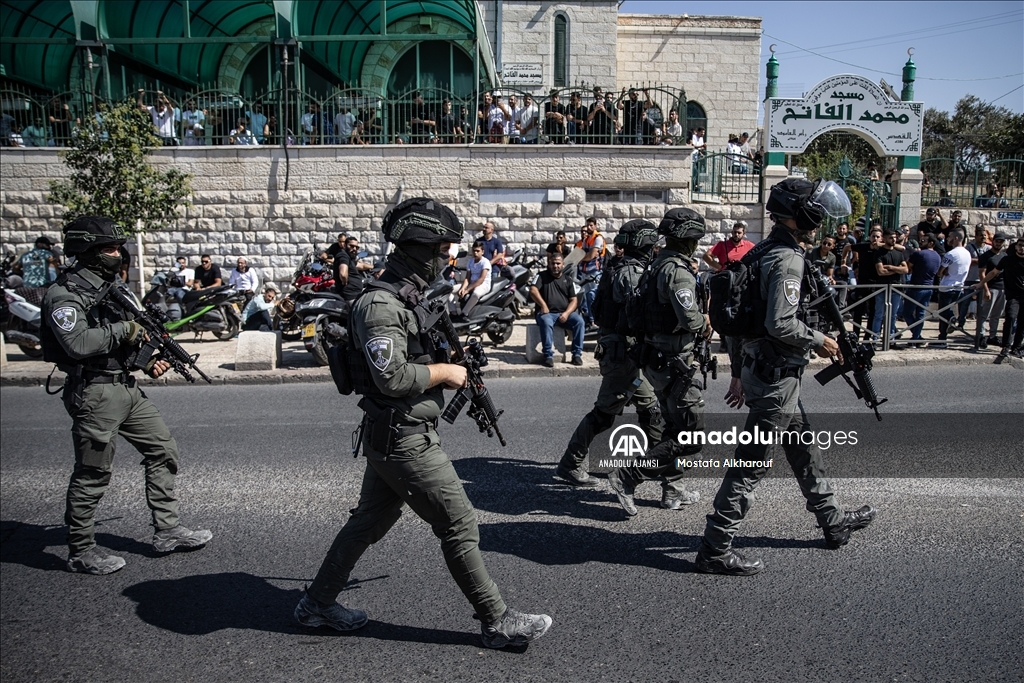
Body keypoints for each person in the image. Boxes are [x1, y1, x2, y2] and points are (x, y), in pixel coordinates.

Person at [296, 197, 552, 648]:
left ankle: (317, 604)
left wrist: (452, 358)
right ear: (420, 248)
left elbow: (414, 350)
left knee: (367, 524)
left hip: (394, 433)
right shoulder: (380, 304)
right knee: (459, 523)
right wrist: (446, 373)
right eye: (443, 251)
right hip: (403, 437)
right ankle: (496, 620)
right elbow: (391, 376)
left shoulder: (408, 295)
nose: (448, 260)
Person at [696, 179, 876, 576]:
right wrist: (821, 341)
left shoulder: (765, 250)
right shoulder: (786, 259)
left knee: (802, 447)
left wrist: (741, 372)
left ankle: (832, 522)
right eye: (815, 209)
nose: (821, 217)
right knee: (751, 464)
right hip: (777, 377)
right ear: (802, 214)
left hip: (770, 372)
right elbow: (780, 322)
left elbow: (747, 320)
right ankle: (714, 547)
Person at [40, 216, 212, 575]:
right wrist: (125, 328)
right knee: (93, 473)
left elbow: (126, 340)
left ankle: (168, 530)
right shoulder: (65, 294)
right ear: (86, 252)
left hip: (126, 387)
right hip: (95, 393)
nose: (118, 254)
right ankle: (81, 550)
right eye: (109, 249)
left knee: (163, 451)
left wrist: (147, 361)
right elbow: (79, 343)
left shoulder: (111, 287)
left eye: (119, 247)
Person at [606, 209, 708, 516]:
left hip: (658, 359)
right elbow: (689, 318)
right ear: (688, 240)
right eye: (694, 239)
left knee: (673, 428)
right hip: (674, 362)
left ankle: (672, 490)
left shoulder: (656, 264)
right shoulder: (676, 270)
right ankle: (628, 476)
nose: (696, 245)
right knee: (692, 436)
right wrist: (706, 320)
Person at [558, 220, 663, 487]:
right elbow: (637, 314)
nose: (654, 251)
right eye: (651, 247)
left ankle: (657, 464)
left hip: (630, 353)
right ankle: (570, 463)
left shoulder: (628, 267)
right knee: (604, 412)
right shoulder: (629, 272)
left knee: (650, 407)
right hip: (622, 353)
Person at [530, 252, 585, 367]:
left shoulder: (568, 280)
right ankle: (548, 356)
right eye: (553, 263)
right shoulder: (541, 276)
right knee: (546, 321)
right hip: (547, 313)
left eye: (558, 263)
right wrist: (543, 305)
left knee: (579, 322)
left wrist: (567, 313)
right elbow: (533, 290)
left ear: (563, 264)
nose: (555, 266)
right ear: (549, 264)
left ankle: (576, 355)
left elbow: (574, 300)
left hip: (564, 314)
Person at [975, 236, 1024, 362]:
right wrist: (981, 284)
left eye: (1023, 246)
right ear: (1016, 246)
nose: (1022, 248)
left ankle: (1017, 347)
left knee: (1022, 323)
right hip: (1013, 296)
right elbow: (993, 273)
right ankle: (1006, 346)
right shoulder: (1007, 260)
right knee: (1011, 317)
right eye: (1020, 245)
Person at [933, 229, 970, 348]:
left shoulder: (951, 254)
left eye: (949, 236)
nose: (947, 239)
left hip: (947, 287)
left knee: (943, 313)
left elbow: (940, 272)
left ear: (956, 238)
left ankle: (943, 337)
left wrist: (943, 272)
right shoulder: (967, 253)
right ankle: (943, 336)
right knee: (945, 312)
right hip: (960, 287)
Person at [870, 228, 908, 342]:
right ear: (885, 238)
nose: (894, 240)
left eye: (895, 237)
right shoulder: (879, 253)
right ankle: (875, 337)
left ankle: (890, 338)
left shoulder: (898, 253)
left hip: (895, 287)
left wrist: (891, 268)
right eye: (891, 238)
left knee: (893, 315)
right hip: (882, 287)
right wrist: (898, 270)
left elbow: (905, 269)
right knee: (879, 314)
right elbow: (881, 271)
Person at [905, 234, 941, 346]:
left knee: (906, 312)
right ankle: (917, 337)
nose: (921, 241)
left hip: (916, 287)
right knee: (920, 314)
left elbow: (907, 266)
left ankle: (916, 335)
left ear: (931, 243)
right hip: (929, 287)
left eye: (924, 240)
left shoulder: (919, 254)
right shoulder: (938, 256)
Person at [976, 233, 1008, 349]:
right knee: (984, 315)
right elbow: (982, 273)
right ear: (993, 241)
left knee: (996, 315)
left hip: (1003, 289)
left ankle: (992, 336)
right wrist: (986, 289)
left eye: (1001, 242)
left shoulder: (1004, 256)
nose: (998, 243)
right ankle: (981, 336)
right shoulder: (986, 256)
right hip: (991, 288)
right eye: (997, 241)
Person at [575, 217, 606, 329]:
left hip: (594, 273)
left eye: (591, 225)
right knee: (585, 297)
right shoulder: (586, 239)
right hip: (584, 272)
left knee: (593, 296)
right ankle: (590, 320)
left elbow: (592, 255)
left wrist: (582, 258)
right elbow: (581, 253)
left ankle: (595, 321)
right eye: (587, 225)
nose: (588, 227)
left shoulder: (598, 238)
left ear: (595, 226)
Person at [456, 240, 492, 317]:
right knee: (450, 289)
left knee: (476, 293)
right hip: (471, 284)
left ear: (482, 252)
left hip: (483, 285)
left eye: (477, 251)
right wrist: (463, 288)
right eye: (474, 251)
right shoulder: (470, 262)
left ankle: (464, 314)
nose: (475, 253)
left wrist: (467, 290)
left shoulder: (485, 262)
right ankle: (453, 313)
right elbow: (467, 278)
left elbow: (481, 280)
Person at [333, 236, 373, 302]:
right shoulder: (343, 256)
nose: (354, 249)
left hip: (354, 294)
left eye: (356, 247)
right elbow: (343, 274)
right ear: (345, 245)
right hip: (350, 296)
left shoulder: (349, 258)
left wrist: (374, 267)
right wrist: (344, 281)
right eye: (351, 246)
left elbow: (361, 266)